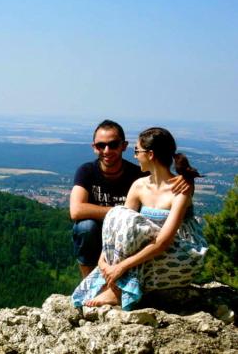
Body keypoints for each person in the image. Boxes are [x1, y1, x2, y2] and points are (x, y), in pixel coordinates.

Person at [71, 127, 208, 310]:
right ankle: (116, 285)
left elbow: (163, 242)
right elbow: (118, 226)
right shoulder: (139, 186)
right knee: (119, 214)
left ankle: (117, 290)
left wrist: (120, 267)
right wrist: (103, 259)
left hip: (178, 251)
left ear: (150, 154)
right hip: (149, 247)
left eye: (137, 151)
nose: (135, 156)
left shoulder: (180, 190)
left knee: (128, 227)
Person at [69, 120, 189, 278]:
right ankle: (89, 281)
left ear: (123, 145)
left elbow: (163, 181)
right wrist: (119, 213)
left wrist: (188, 180)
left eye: (113, 145)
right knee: (86, 228)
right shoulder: (87, 171)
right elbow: (76, 211)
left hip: (133, 238)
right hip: (100, 233)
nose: (106, 150)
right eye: (100, 146)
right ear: (94, 147)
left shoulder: (138, 177)